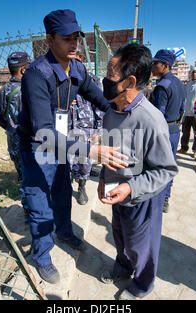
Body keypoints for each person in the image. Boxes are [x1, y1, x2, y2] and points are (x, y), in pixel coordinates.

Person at [17, 9, 128, 284]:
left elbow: (99, 99)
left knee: (62, 192)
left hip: (61, 144)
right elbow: (44, 131)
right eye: (67, 38)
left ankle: (64, 232)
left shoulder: (77, 67)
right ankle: (42, 256)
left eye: (77, 37)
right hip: (38, 147)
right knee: (40, 205)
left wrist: (122, 112)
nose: (74, 43)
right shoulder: (36, 74)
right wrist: (92, 150)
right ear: (49, 39)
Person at [97, 43, 178, 300]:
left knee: (141, 245)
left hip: (141, 199)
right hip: (116, 193)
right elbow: (108, 152)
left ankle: (143, 284)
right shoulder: (111, 111)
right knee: (119, 236)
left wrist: (131, 187)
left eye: (110, 72)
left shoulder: (151, 120)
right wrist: (102, 179)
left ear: (129, 81)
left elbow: (166, 170)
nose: (104, 78)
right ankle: (122, 267)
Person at [0, 51, 32, 219]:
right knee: (35, 180)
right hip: (31, 145)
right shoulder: (29, 90)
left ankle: (27, 211)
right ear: (23, 70)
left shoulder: (2, 91)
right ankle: (37, 212)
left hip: (14, 144)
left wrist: (11, 129)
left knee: (23, 178)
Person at [150, 49, 185, 213]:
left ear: (165, 65)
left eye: (155, 63)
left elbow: (158, 116)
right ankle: (165, 198)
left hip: (163, 132)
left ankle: (159, 198)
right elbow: (183, 109)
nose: (152, 65)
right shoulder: (179, 83)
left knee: (158, 166)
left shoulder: (162, 86)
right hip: (174, 130)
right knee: (170, 165)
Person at [69, 49, 104, 205]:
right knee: (65, 159)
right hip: (66, 128)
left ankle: (81, 187)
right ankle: (68, 182)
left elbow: (99, 107)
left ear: (80, 58)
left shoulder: (92, 80)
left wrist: (99, 131)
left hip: (86, 127)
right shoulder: (58, 80)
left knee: (85, 161)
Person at [177, 66, 196, 158]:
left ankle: (195, 151)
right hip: (187, 113)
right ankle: (184, 148)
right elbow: (185, 97)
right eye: (193, 72)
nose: (194, 74)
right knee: (185, 132)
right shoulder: (189, 84)